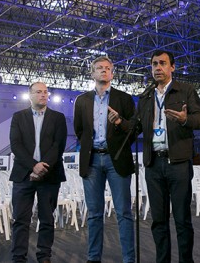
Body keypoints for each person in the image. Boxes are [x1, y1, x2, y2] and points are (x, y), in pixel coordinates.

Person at [133, 49, 200, 263]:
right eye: (154, 64)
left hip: (178, 164)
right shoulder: (146, 96)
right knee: (159, 221)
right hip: (153, 164)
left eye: (162, 63)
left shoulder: (185, 90)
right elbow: (137, 126)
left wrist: (185, 119)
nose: (158, 67)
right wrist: (121, 123)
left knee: (182, 219)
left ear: (172, 67)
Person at [73, 56, 136, 263]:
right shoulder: (82, 100)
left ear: (112, 73)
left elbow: (134, 131)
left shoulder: (124, 99)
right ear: (92, 73)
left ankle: (128, 258)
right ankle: (93, 257)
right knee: (94, 214)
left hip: (115, 159)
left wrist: (119, 121)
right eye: (99, 68)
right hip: (91, 161)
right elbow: (79, 130)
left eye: (107, 68)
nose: (103, 71)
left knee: (123, 213)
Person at [9, 81, 67, 263]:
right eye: (39, 92)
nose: (43, 95)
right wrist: (33, 165)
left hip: (50, 175)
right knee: (20, 219)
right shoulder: (18, 117)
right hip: (23, 174)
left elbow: (58, 145)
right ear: (30, 95)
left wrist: (43, 167)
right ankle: (18, 257)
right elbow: (16, 145)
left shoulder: (58, 117)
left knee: (47, 219)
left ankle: (44, 256)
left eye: (45, 92)